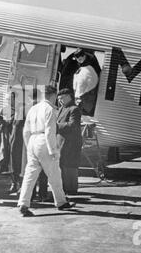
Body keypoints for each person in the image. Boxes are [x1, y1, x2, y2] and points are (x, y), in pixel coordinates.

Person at [17, 85, 74, 217]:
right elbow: (50, 131)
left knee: (30, 175)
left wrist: (28, 146)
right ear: (53, 95)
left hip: (32, 140)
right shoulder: (50, 109)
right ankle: (61, 202)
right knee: (54, 173)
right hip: (44, 140)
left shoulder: (33, 109)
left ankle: (23, 203)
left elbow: (25, 130)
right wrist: (53, 150)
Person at [57, 88, 83, 195]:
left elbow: (73, 125)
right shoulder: (62, 108)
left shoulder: (74, 109)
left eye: (62, 98)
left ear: (69, 97)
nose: (60, 101)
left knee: (70, 166)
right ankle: (66, 188)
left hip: (71, 143)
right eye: (59, 99)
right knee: (63, 165)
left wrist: (56, 126)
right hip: (62, 141)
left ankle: (71, 189)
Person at [72, 48, 101, 115]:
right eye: (77, 57)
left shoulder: (90, 64)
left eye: (81, 55)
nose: (78, 58)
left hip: (85, 95)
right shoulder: (81, 68)